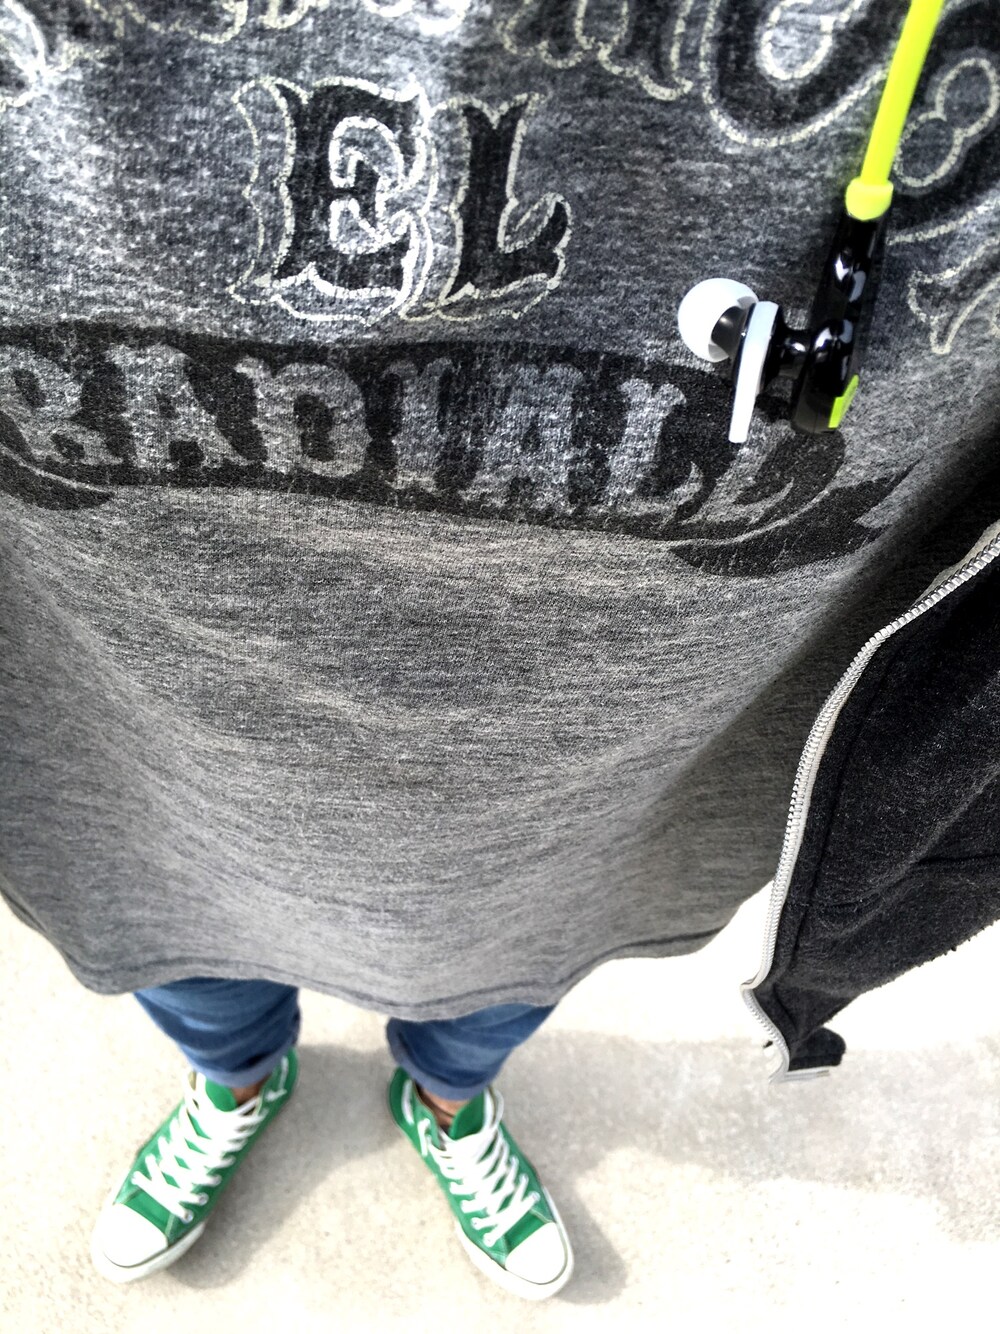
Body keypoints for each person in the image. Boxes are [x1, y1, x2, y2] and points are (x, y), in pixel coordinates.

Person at [2, 0, 997, 1307]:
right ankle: (236, 1081)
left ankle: (447, 1100)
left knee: (502, 972)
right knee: (177, 941)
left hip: (590, 801)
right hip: (130, 752)